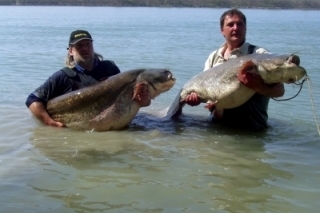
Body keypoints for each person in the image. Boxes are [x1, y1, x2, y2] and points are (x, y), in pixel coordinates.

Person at [26, 29, 150, 127]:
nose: (85, 48)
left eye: (88, 44)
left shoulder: (110, 68)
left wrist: (143, 101)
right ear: (70, 51)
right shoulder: (63, 77)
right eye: (79, 45)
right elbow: (32, 100)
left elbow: (130, 98)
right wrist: (49, 122)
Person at [185, 8, 285, 130]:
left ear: (245, 28)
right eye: (230, 24)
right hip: (217, 125)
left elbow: (280, 91)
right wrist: (196, 98)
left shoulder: (260, 55)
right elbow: (207, 96)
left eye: (240, 24)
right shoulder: (214, 57)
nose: (235, 28)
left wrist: (256, 86)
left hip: (253, 128)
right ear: (222, 30)